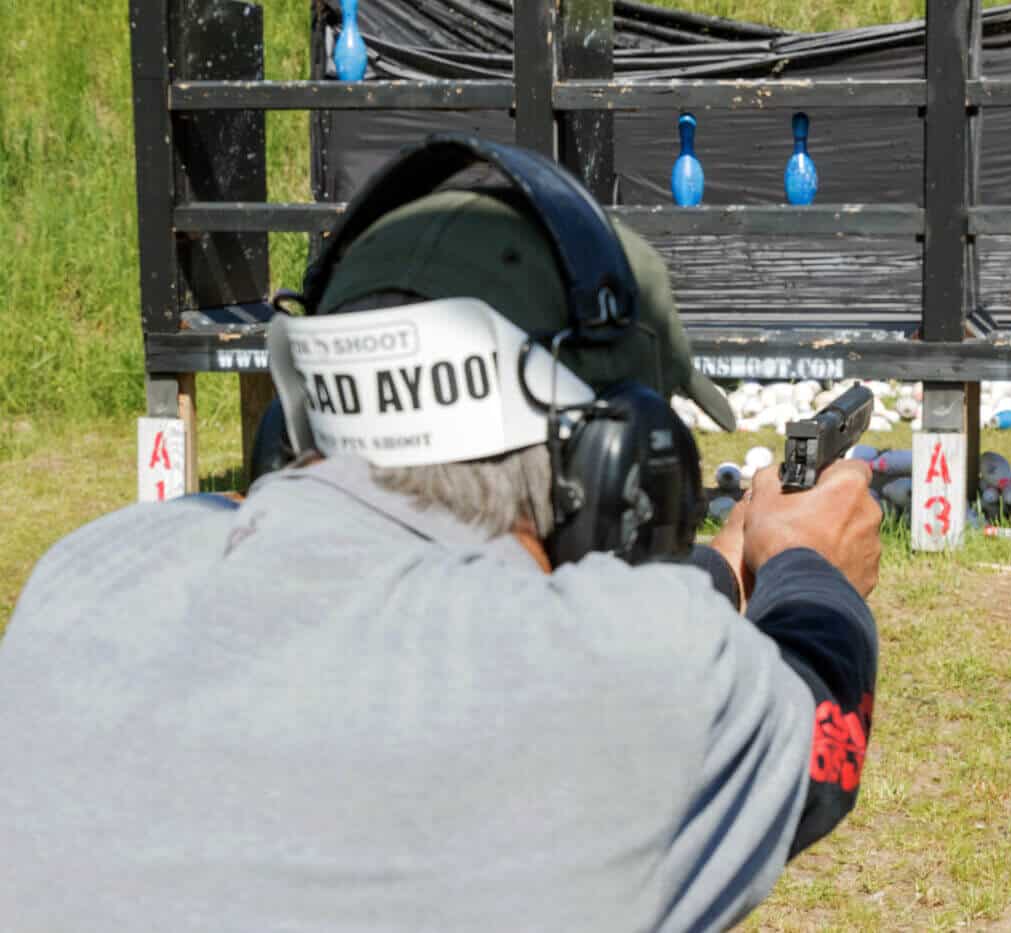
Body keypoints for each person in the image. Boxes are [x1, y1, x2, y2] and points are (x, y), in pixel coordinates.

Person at [0, 136, 881, 932]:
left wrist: (725, 568)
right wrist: (805, 562)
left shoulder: (89, 579)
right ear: (615, 475)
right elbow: (814, 712)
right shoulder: (624, 680)